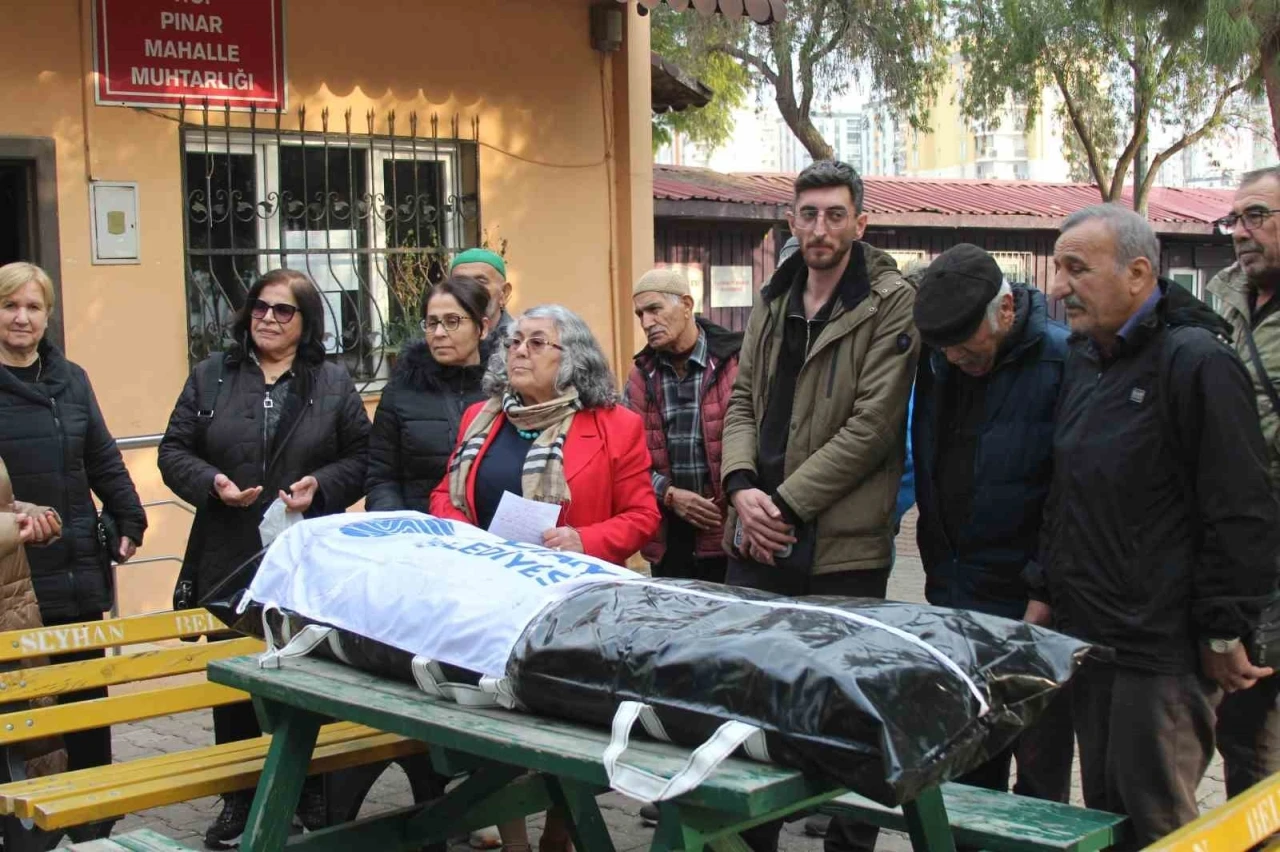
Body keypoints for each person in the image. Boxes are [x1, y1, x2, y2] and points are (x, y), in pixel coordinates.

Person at [1038, 204, 1279, 847]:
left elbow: (1240, 508)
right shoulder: (1087, 358)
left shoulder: (1197, 362)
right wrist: (1045, 586)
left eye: (1077, 269)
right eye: (1058, 268)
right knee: (1105, 817)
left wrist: (1224, 626)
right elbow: (1067, 488)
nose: (1059, 288)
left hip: (1161, 650)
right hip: (1091, 635)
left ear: (1139, 273)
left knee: (1159, 825)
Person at [720, 160, 918, 852]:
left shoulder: (890, 301)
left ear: (861, 223)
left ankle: (847, 840)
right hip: (757, 528)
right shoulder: (775, 296)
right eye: (808, 215)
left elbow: (872, 428)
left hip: (839, 541)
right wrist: (741, 488)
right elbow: (742, 401)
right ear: (791, 221)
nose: (820, 229)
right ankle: (749, 838)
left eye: (835, 215)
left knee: (841, 707)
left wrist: (781, 506)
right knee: (749, 702)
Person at [431, 304, 659, 852]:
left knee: (567, 728)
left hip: (573, 605)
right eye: (513, 341)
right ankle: (514, 843)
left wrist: (585, 539)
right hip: (491, 595)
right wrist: (464, 532)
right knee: (496, 720)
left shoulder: (615, 425)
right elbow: (445, 493)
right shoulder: (481, 417)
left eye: (536, 342)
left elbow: (643, 515)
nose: (519, 351)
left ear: (571, 358)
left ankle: (560, 834)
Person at [158, 268, 371, 850]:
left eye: (283, 310)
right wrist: (212, 482)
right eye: (260, 307)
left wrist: (320, 486)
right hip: (228, 551)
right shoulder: (211, 375)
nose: (268, 319)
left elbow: (362, 457)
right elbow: (172, 451)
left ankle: (310, 789)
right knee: (235, 678)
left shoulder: (332, 381)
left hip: (306, 556)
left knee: (308, 670)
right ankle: (238, 796)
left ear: (307, 322)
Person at [911, 244, 1073, 802]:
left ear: (1005, 311)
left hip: (1030, 605)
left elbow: (1069, 492)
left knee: (1039, 776)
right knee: (965, 770)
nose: (955, 357)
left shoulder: (1061, 361)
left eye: (965, 344)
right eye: (945, 347)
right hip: (957, 595)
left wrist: (1043, 588)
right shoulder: (940, 361)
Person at [0, 261, 147, 792]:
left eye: (33, 307)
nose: (21, 318)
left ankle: (93, 815)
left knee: (85, 698)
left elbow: (102, 457)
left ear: (48, 316)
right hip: (14, 580)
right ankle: (25, 819)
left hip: (77, 567)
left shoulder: (72, 379)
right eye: (9, 305)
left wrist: (129, 516)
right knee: (24, 712)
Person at [1205, 165, 1280, 802]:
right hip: (1245, 546)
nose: (1240, 232)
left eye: (1257, 216)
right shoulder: (1224, 296)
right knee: (1242, 721)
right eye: (1234, 219)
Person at [624, 267, 743, 583]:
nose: (646, 322)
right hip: (669, 538)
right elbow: (626, 461)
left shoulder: (735, 362)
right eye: (640, 314)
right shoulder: (641, 376)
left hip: (730, 532)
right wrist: (669, 494)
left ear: (687, 305)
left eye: (654, 309)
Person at [366, 276, 492, 511]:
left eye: (452, 321)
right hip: (419, 527)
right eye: (432, 323)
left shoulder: (504, 392)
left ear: (482, 328)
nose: (439, 333)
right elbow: (381, 478)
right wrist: (400, 525)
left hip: (487, 529)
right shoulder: (400, 391)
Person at [451, 248, 514, 348]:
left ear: (504, 292)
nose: (469, 289)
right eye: (461, 282)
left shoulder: (518, 344)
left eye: (480, 282)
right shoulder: (438, 340)